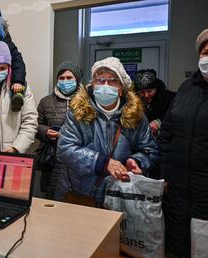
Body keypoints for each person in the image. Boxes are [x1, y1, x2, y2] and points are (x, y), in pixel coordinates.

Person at [157, 26, 208, 258]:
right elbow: (167, 134)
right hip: (177, 188)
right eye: (206, 53)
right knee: (177, 244)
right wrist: (164, 173)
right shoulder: (186, 89)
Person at [54, 57, 158, 203]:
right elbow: (65, 149)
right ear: (93, 85)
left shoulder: (136, 116)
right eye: (100, 80)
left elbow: (150, 150)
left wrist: (136, 161)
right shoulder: (77, 113)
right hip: (81, 193)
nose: (105, 85)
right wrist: (103, 163)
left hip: (120, 196)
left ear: (121, 88)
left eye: (113, 81)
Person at [36, 61, 84, 199]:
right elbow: (35, 125)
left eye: (69, 78)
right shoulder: (46, 102)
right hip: (52, 158)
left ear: (77, 80)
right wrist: (45, 132)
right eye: (61, 78)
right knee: (52, 198)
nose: (65, 81)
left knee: (78, 199)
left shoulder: (87, 102)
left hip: (78, 158)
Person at [134, 69, 176, 136]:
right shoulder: (133, 101)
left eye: (150, 91)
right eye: (142, 92)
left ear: (157, 88)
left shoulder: (170, 98)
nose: (146, 95)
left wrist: (159, 122)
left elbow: (176, 119)